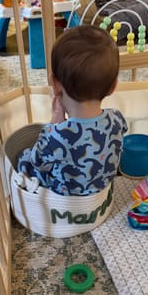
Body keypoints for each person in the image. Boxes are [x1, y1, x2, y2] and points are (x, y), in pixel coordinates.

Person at [17, 25, 128, 196]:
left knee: (25, 158)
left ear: (54, 83)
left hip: (66, 199)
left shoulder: (56, 134)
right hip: (100, 188)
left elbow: (38, 162)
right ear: (113, 87)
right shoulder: (117, 119)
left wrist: (54, 121)